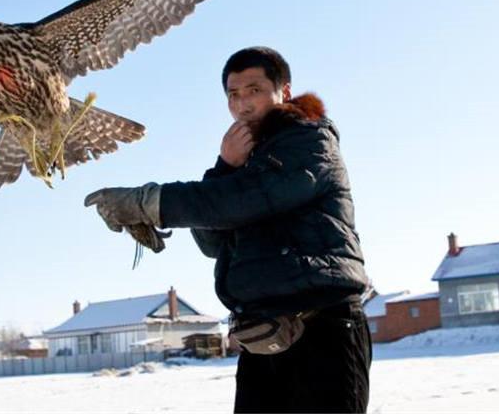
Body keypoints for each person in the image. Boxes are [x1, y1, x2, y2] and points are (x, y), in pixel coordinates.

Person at [84, 46, 372, 413]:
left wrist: (149, 203)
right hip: (264, 338)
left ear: (283, 91)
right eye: (233, 95)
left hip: (323, 331)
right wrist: (223, 168)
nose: (243, 104)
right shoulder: (247, 162)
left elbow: (248, 199)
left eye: (254, 90)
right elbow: (213, 240)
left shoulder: (310, 141)